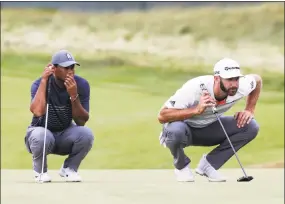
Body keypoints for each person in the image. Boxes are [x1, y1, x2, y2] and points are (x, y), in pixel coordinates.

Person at [157, 58, 262, 182]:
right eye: (229, 79)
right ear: (216, 78)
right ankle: (181, 167)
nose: (234, 84)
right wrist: (196, 110)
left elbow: (257, 79)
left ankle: (208, 165)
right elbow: (162, 116)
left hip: (210, 128)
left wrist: (249, 109)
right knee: (174, 130)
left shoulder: (242, 86)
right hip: (185, 129)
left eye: (236, 79)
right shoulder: (194, 87)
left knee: (250, 126)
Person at [25, 50, 94, 183]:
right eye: (65, 68)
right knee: (41, 135)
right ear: (54, 68)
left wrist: (74, 96)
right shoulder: (39, 84)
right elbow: (38, 111)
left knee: (86, 134)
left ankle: (69, 169)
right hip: (40, 134)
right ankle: (40, 172)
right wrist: (45, 80)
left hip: (65, 135)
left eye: (72, 67)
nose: (70, 71)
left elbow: (81, 121)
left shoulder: (81, 85)